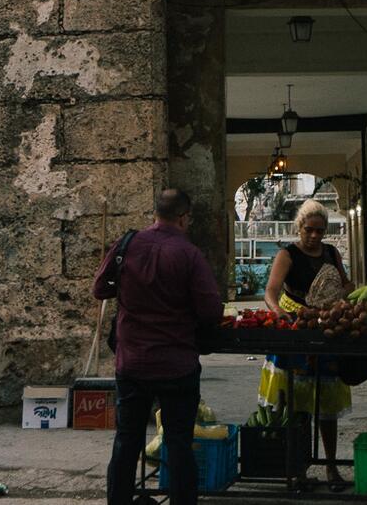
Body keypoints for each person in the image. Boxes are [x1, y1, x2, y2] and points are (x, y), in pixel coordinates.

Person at [97, 188, 224, 505]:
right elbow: (211, 311)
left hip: (132, 362)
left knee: (126, 441)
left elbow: (100, 288)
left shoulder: (127, 244)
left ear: (155, 213)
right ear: (183, 217)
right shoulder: (189, 254)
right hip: (176, 364)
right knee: (179, 442)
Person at [259, 200, 351, 488]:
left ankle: (331, 468)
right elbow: (271, 292)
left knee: (327, 405)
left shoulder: (332, 253)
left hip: (325, 329)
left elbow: (347, 284)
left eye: (319, 231)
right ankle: (296, 469)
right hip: (295, 329)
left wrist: (341, 293)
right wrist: (280, 314)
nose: (313, 236)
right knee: (295, 406)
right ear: (299, 228)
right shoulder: (287, 255)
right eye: (309, 230)